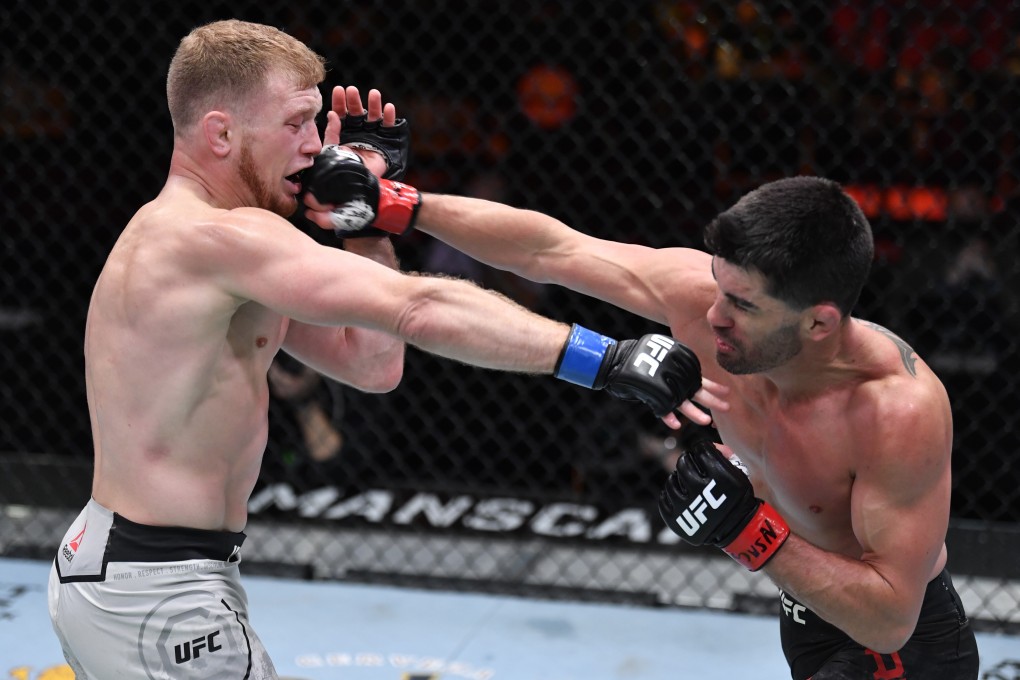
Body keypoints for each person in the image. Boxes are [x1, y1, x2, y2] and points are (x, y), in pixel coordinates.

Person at [46, 20, 726, 680]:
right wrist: (604, 359)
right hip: (155, 584)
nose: (316, 147)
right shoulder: (211, 238)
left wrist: (365, 218)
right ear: (221, 133)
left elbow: (373, 364)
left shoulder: (233, 253)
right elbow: (419, 306)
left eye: (317, 122)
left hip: (147, 572)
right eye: (294, 124)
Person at [308, 173, 980, 679]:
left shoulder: (895, 410)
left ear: (819, 323)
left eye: (742, 305)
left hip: (902, 649)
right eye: (719, 287)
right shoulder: (703, 301)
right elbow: (550, 249)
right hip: (804, 615)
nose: (713, 316)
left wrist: (747, 531)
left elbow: (892, 617)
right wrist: (398, 205)